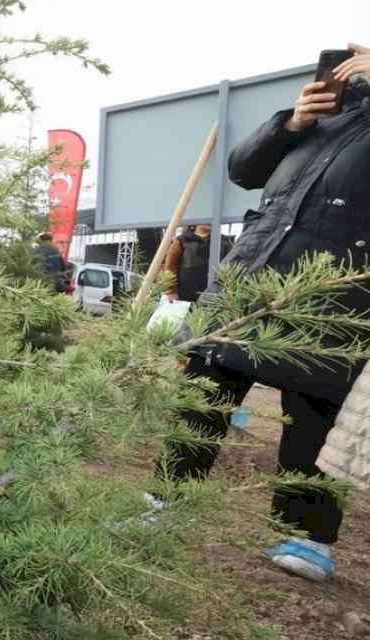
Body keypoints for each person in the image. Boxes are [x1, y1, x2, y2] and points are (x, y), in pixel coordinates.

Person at [157, 43, 370, 584]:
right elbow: (243, 170)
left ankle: (308, 533)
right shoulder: (326, 117)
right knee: (204, 391)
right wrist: (292, 123)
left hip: (331, 292)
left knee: (313, 410)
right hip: (249, 276)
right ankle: (167, 498)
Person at [161, 224, 233, 303]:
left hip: (215, 294)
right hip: (185, 295)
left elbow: (232, 265)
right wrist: (171, 291)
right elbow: (170, 266)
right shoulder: (182, 240)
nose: (208, 222)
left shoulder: (223, 241)